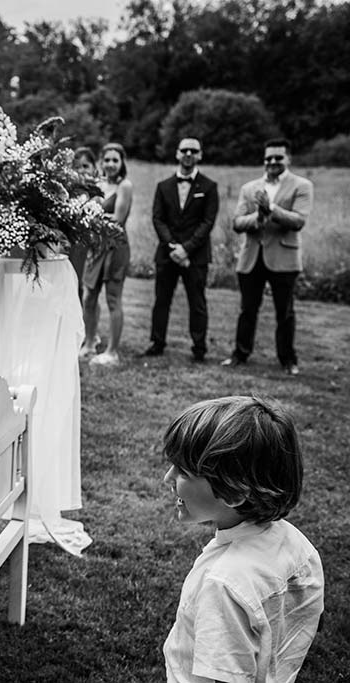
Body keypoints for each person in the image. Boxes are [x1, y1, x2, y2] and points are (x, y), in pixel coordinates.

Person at [161, 396, 323, 683]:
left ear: (235, 492)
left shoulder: (223, 585)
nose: (167, 478)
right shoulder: (296, 543)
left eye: (183, 471)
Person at [223, 138, 314, 375]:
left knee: (284, 312)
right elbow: (237, 222)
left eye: (278, 157)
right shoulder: (249, 188)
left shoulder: (302, 186)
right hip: (252, 256)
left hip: (284, 257)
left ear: (288, 159)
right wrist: (259, 218)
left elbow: (298, 221)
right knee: (247, 309)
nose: (272, 162)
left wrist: (271, 209)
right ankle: (240, 354)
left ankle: (287, 359)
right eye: (268, 158)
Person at [146, 138, 219, 362]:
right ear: (177, 154)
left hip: (195, 256)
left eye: (193, 151)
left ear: (200, 155)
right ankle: (157, 343)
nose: (188, 154)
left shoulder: (209, 187)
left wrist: (186, 249)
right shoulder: (163, 186)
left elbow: (207, 222)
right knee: (161, 300)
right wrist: (172, 247)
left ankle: (199, 348)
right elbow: (158, 219)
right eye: (184, 150)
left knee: (197, 302)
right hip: (167, 254)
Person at [80, 143, 134, 367]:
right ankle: (90, 342)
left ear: (122, 163)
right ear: (101, 162)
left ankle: (112, 352)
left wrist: (90, 215)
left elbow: (117, 219)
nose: (110, 164)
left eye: (115, 160)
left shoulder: (125, 186)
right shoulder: (98, 184)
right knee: (88, 297)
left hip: (115, 246)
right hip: (96, 246)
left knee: (113, 299)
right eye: (107, 160)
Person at [68, 147, 99, 291]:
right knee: (71, 282)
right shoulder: (69, 190)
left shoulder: (97, 190)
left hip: (88, 242)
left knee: (80, 284)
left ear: (94, 167)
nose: (81, 171)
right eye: (77, 167)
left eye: (86, 166)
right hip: (71, 242)